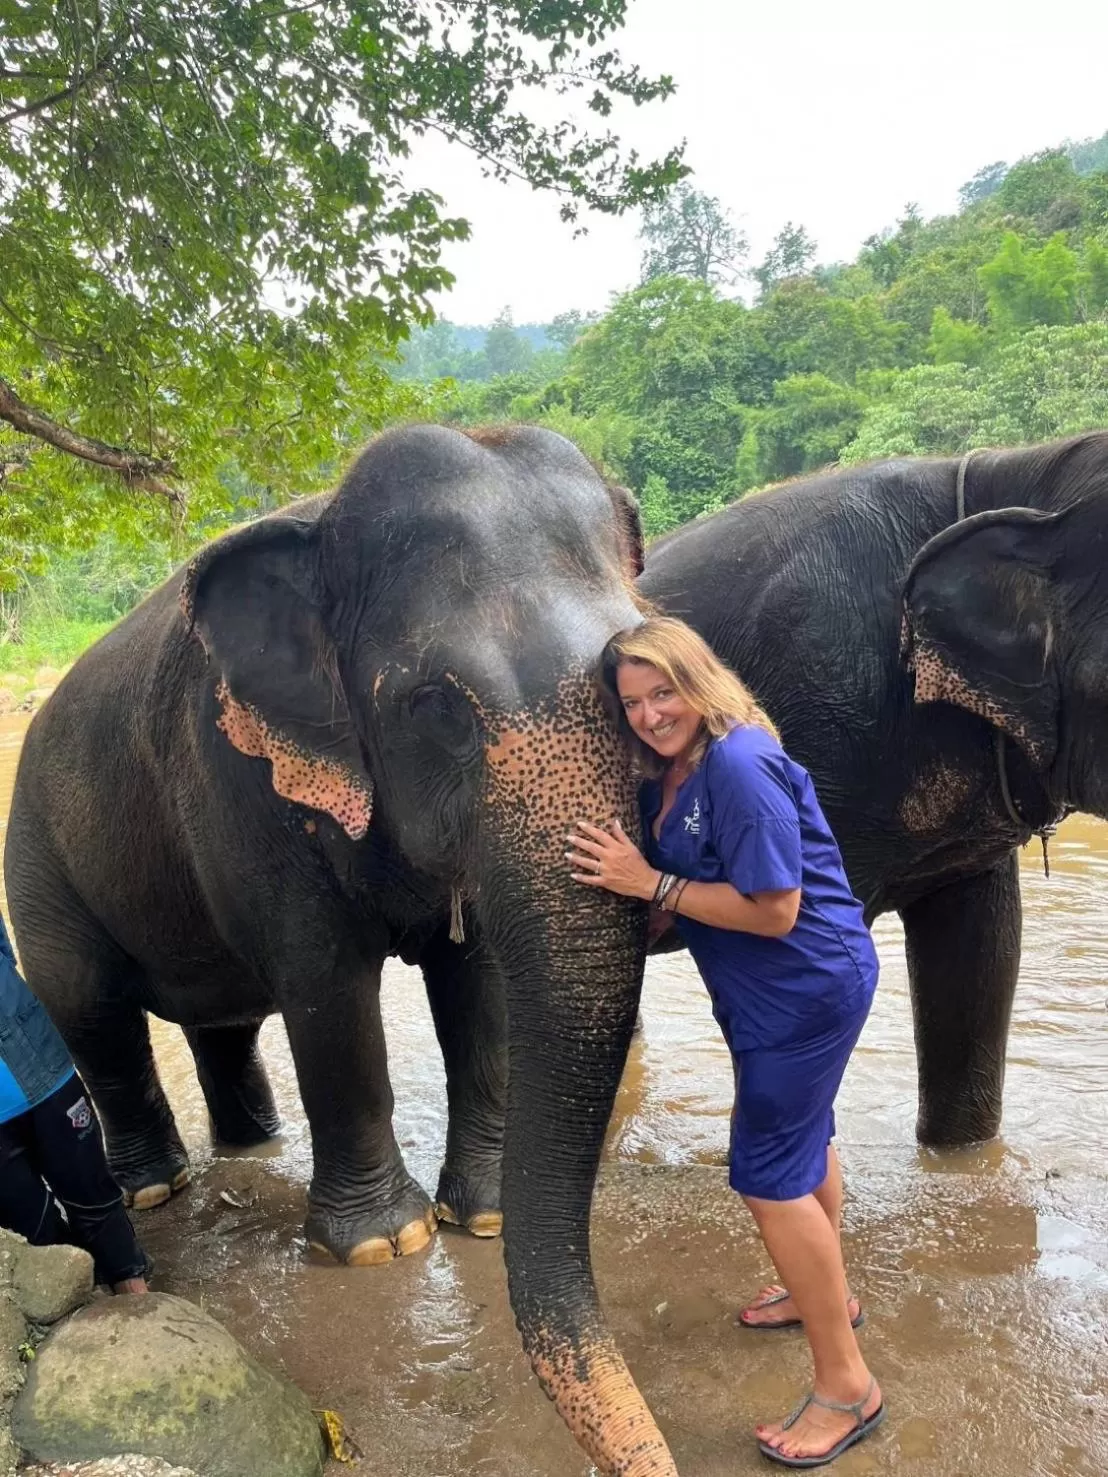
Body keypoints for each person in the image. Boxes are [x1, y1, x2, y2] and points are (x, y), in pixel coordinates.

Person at [566, 616, 883, 1469]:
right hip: (770, 996)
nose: (648, 713)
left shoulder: (737, 763)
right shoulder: (680, 768)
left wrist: (653, 881)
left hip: (804, 989)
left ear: (697, 680)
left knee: (767, 1170)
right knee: (803, 1138)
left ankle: (846, 1385)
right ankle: (826, 1295)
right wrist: (654, 896)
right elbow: (712, 876)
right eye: (631, 701)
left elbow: (776, 907)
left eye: (662, 691)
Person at [0, 908, 149, 1294]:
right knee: (30, 1225)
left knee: (94, 1196)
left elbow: (4, 953)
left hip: (44, 1071)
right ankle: (85, 1302)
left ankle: (136, 1294)